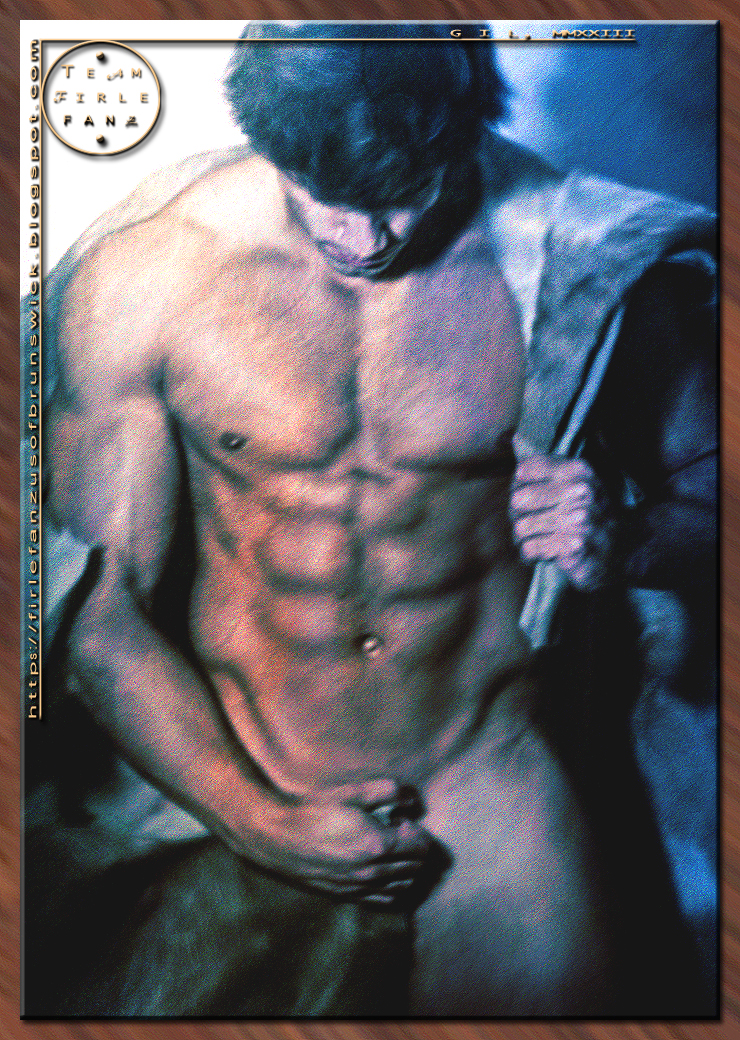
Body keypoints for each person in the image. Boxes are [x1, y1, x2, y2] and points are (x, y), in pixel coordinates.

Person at [25, 23, 716, 1017]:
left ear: (460, 128)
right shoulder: (152, 276)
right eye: (322, 196)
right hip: (228, 774)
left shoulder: (585, 263)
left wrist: (632, 537)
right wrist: (254, 816)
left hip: (487, 785)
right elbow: (98, 607)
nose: (366, 239)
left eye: (403, 193)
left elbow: (712, 495)